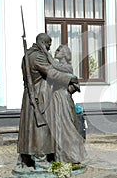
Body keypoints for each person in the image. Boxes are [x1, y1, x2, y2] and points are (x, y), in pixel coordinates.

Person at [17, 33, 79, 170]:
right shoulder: (37, 56)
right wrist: (70, 79)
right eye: (49, 45)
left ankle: (26, 158)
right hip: (40, 95)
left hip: (31, 95)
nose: (50, 49)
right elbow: (51, 73)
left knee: (30, 128)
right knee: (41, 129)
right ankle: (41, 159)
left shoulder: (28, 55)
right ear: (43, 43)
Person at [49, 44, 86, 163]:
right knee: (57, 127)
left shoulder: (67, 67)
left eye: (59, 50)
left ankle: (70, 155)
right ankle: (59, 155)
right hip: (55, 99)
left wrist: (46, 55)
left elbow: (56, 67)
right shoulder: (57, 67)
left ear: (65, 53)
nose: (56, 51)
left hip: (63, 99)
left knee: (66, 126)